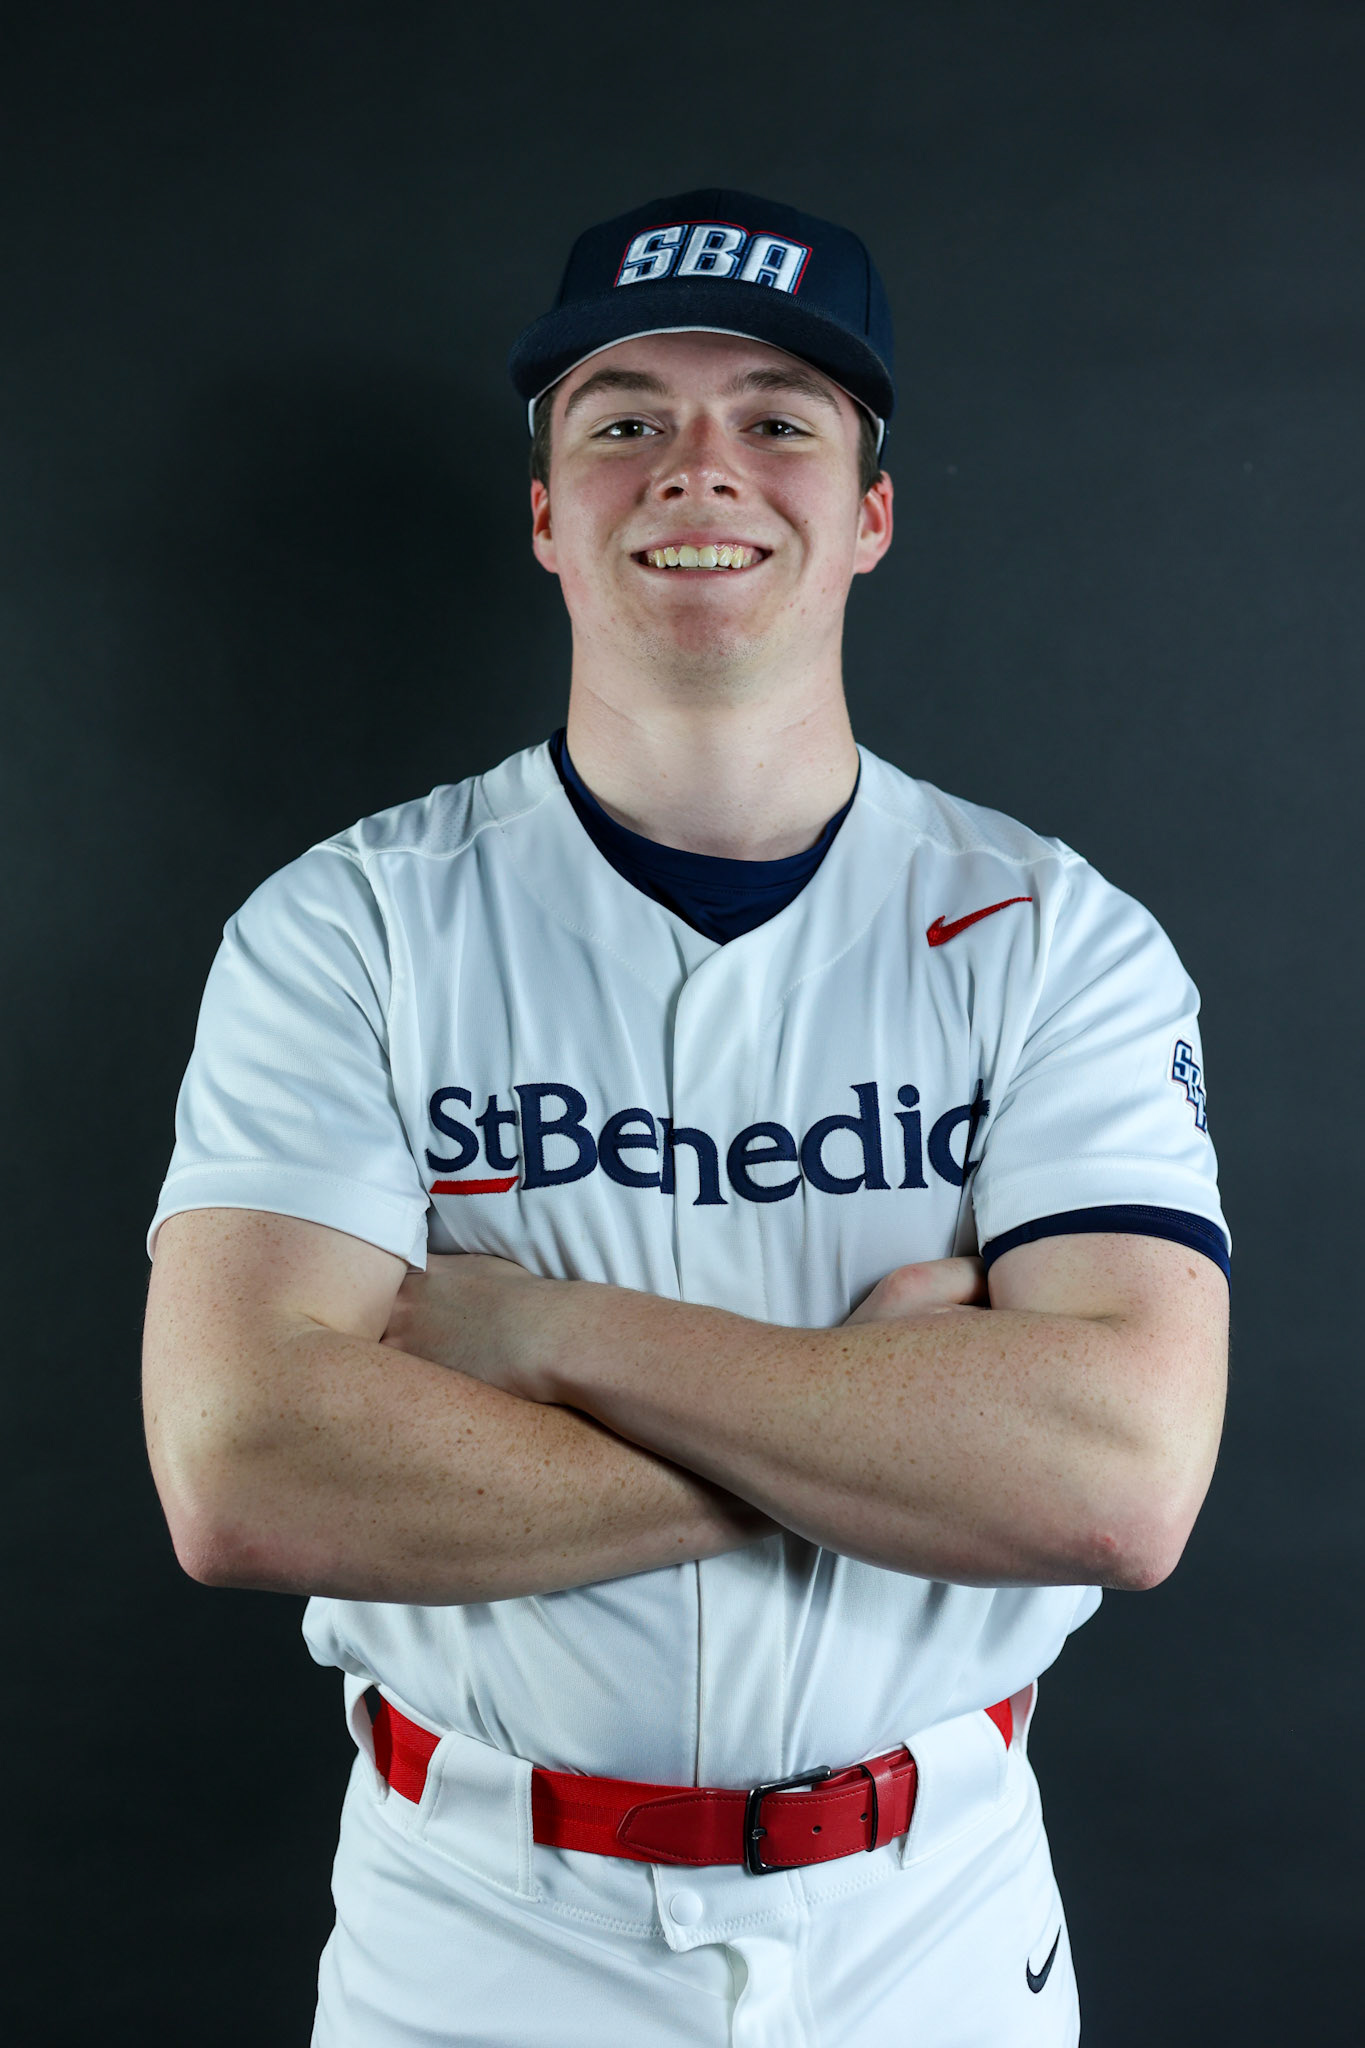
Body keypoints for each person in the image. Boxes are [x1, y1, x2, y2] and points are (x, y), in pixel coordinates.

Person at [142, 189, 1229, 2046]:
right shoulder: (351, 923)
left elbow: (1112, 1484)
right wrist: (879, 1438)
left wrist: (540, 1332)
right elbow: (245, 1466)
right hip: (480, 1921)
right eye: (623, 418)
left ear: (870, 511)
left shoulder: (1056, 937)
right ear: (548, 512)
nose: (697, 467)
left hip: (933, 1920)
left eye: (780, 419)